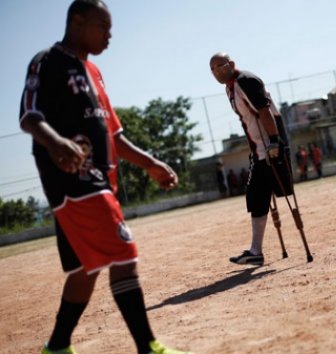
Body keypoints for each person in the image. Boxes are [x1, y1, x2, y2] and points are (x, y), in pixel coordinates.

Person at [18, 1, 192, 353]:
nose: (110, 36)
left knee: (85, 267)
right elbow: (28, 116)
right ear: (78, 21)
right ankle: (149, 348)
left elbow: (114, 136)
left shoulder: (94, 72)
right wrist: (56, 142)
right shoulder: (46, 61)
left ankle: (56, 348)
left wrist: (151, 163)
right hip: (72, 178)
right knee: (123, 254)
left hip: (100, 180)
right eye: (104, 27)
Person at [210, 52, 293, 266]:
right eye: (214, 69)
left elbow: (264, 111)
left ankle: (256, 251)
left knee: (263, 194)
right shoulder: (231, 87)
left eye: (221, 65)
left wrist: (274, 141)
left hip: (270, 148)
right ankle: (255, 251)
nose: (218, 71)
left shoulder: (245, 81)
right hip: (259, 151)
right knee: (256, 196)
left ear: (232, 64)